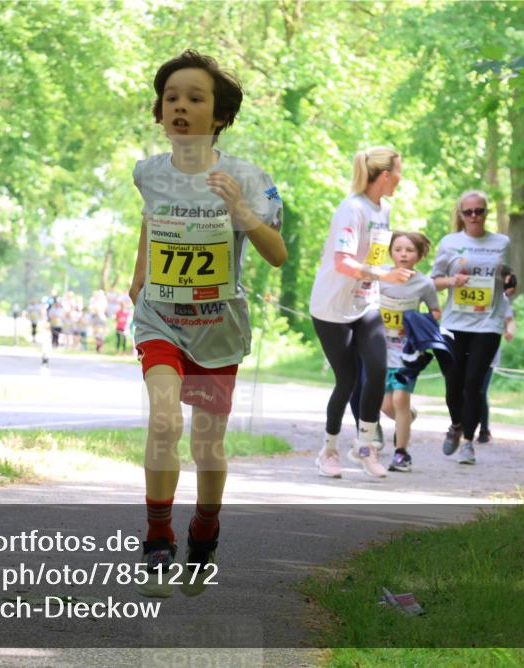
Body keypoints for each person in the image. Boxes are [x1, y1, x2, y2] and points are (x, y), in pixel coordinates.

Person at [128, 50, 286, 598]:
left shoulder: (246, 177)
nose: (180, 106)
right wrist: (139, 275)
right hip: (160, 321)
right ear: (159, 110)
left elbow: (278, 255)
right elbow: (151, 220)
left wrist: (243, 213)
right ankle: (156, 540)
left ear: (219, 115)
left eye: (195, 98)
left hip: (217, 329)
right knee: (164, 420)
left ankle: (205, 530)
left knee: (207, 445)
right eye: (171, 97)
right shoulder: (148, 172)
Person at [309, 146, 412, 479]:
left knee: (378, 371)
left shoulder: (385, 208)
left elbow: (375, 256)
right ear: (385, 175)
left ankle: (365, 446)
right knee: (347, 379)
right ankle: (329, 450)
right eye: (398, 171)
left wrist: (384, 275)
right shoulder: (351, 209)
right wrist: (384, 275)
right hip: (332, 307)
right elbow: (343, 261)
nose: (400, 177)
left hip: (365, 303)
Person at [432, 190, 511, 465]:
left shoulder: (502, 242)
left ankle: (468, 442)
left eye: (480, 211)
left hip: (489, 322)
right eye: (469, 212)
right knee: (454, 383)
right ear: (461, 215)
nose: (475, 216)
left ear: (487, 213)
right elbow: (434, 281)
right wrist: (452, 281)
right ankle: (456, 426)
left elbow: (511, 279)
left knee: (474, 384)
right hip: (455, 322)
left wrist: (511, 281)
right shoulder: (450, 242)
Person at [378, 232, 440, 472]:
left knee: (400, 398)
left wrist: (416, 322)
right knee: (386, 406)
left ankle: (402, 453)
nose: (403, 254)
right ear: (390, 252)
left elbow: (435, 311)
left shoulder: (424, 283)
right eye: (398, 249)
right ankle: (409, 418)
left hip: (407, 351)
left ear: (419, 255)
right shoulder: (380, 277)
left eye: (409, 250)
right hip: (382, 349)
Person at [477, 295, 515, 443]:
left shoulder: (501, 298)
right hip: (466, 349)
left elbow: (510, 320)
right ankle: (459, 424)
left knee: (480, 391)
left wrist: (509, 331)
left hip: (488, 353)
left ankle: (484, 429)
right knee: (464, 390)